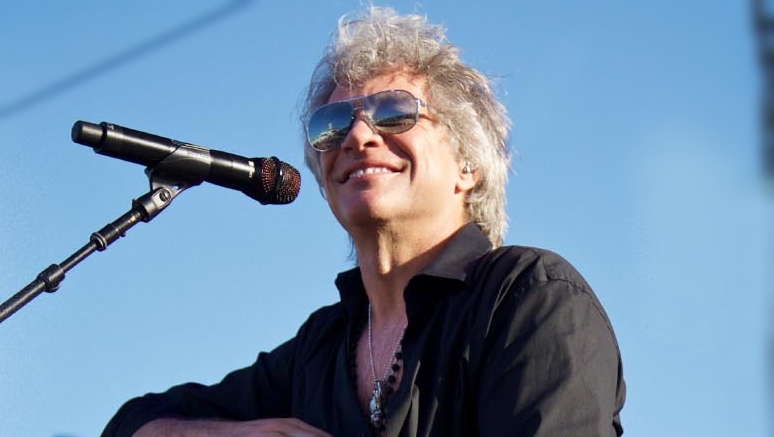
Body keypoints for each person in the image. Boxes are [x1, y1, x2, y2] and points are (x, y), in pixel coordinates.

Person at [101, 6, 625, 437]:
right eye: (332, 126)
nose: (356, 136)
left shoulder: (529, 299)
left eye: (394, 112)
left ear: (468, 164)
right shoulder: (320, 348)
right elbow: (131, 424)